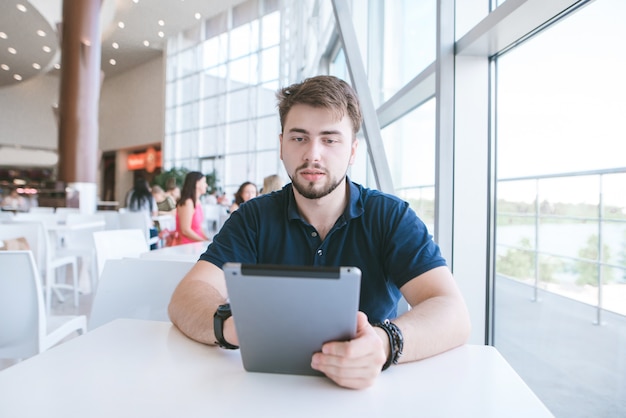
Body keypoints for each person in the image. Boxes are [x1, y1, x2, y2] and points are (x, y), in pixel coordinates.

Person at [168, 75, 470, 390]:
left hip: (368, 396)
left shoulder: (391, 217)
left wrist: (383, 344)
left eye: (329, 139)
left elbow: (453, 312)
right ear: (282, 145)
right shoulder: (253, 218)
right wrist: (233, 327)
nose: (313, 154)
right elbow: (186, 296)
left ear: (352, 151)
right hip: (266, 393)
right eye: (299, 138)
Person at [175, 171, 209, 244]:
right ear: (197, 184)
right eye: (204, 182)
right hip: (187, 245)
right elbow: (185, 230)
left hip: (197, 243)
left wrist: (206, 239)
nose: (206, 185)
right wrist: (204, 241)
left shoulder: (197, 202)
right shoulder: (188, 203)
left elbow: (199, 227)